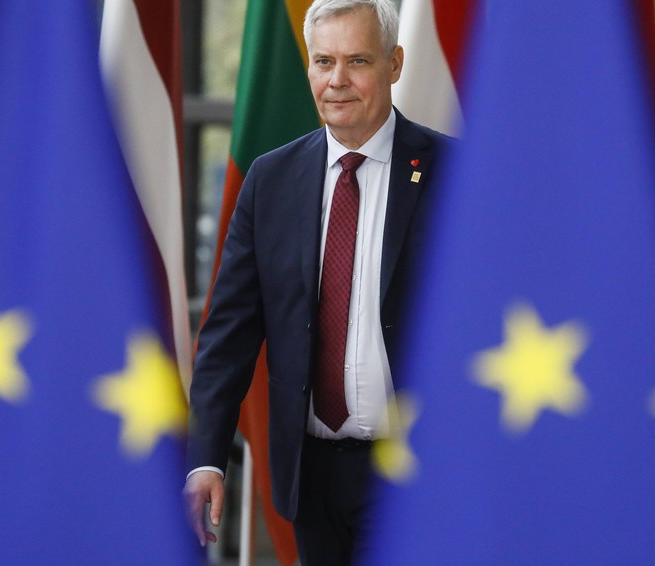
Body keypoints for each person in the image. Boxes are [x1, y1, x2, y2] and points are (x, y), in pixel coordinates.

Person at [184, 0, 451, 563]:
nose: (337, 81)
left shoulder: (455, 175)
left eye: (357, 60)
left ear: (395, 64)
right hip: (310, 476)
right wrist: (206, 458)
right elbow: (227, 334)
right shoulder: (270, 180)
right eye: (323, 61)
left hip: (419, 471)